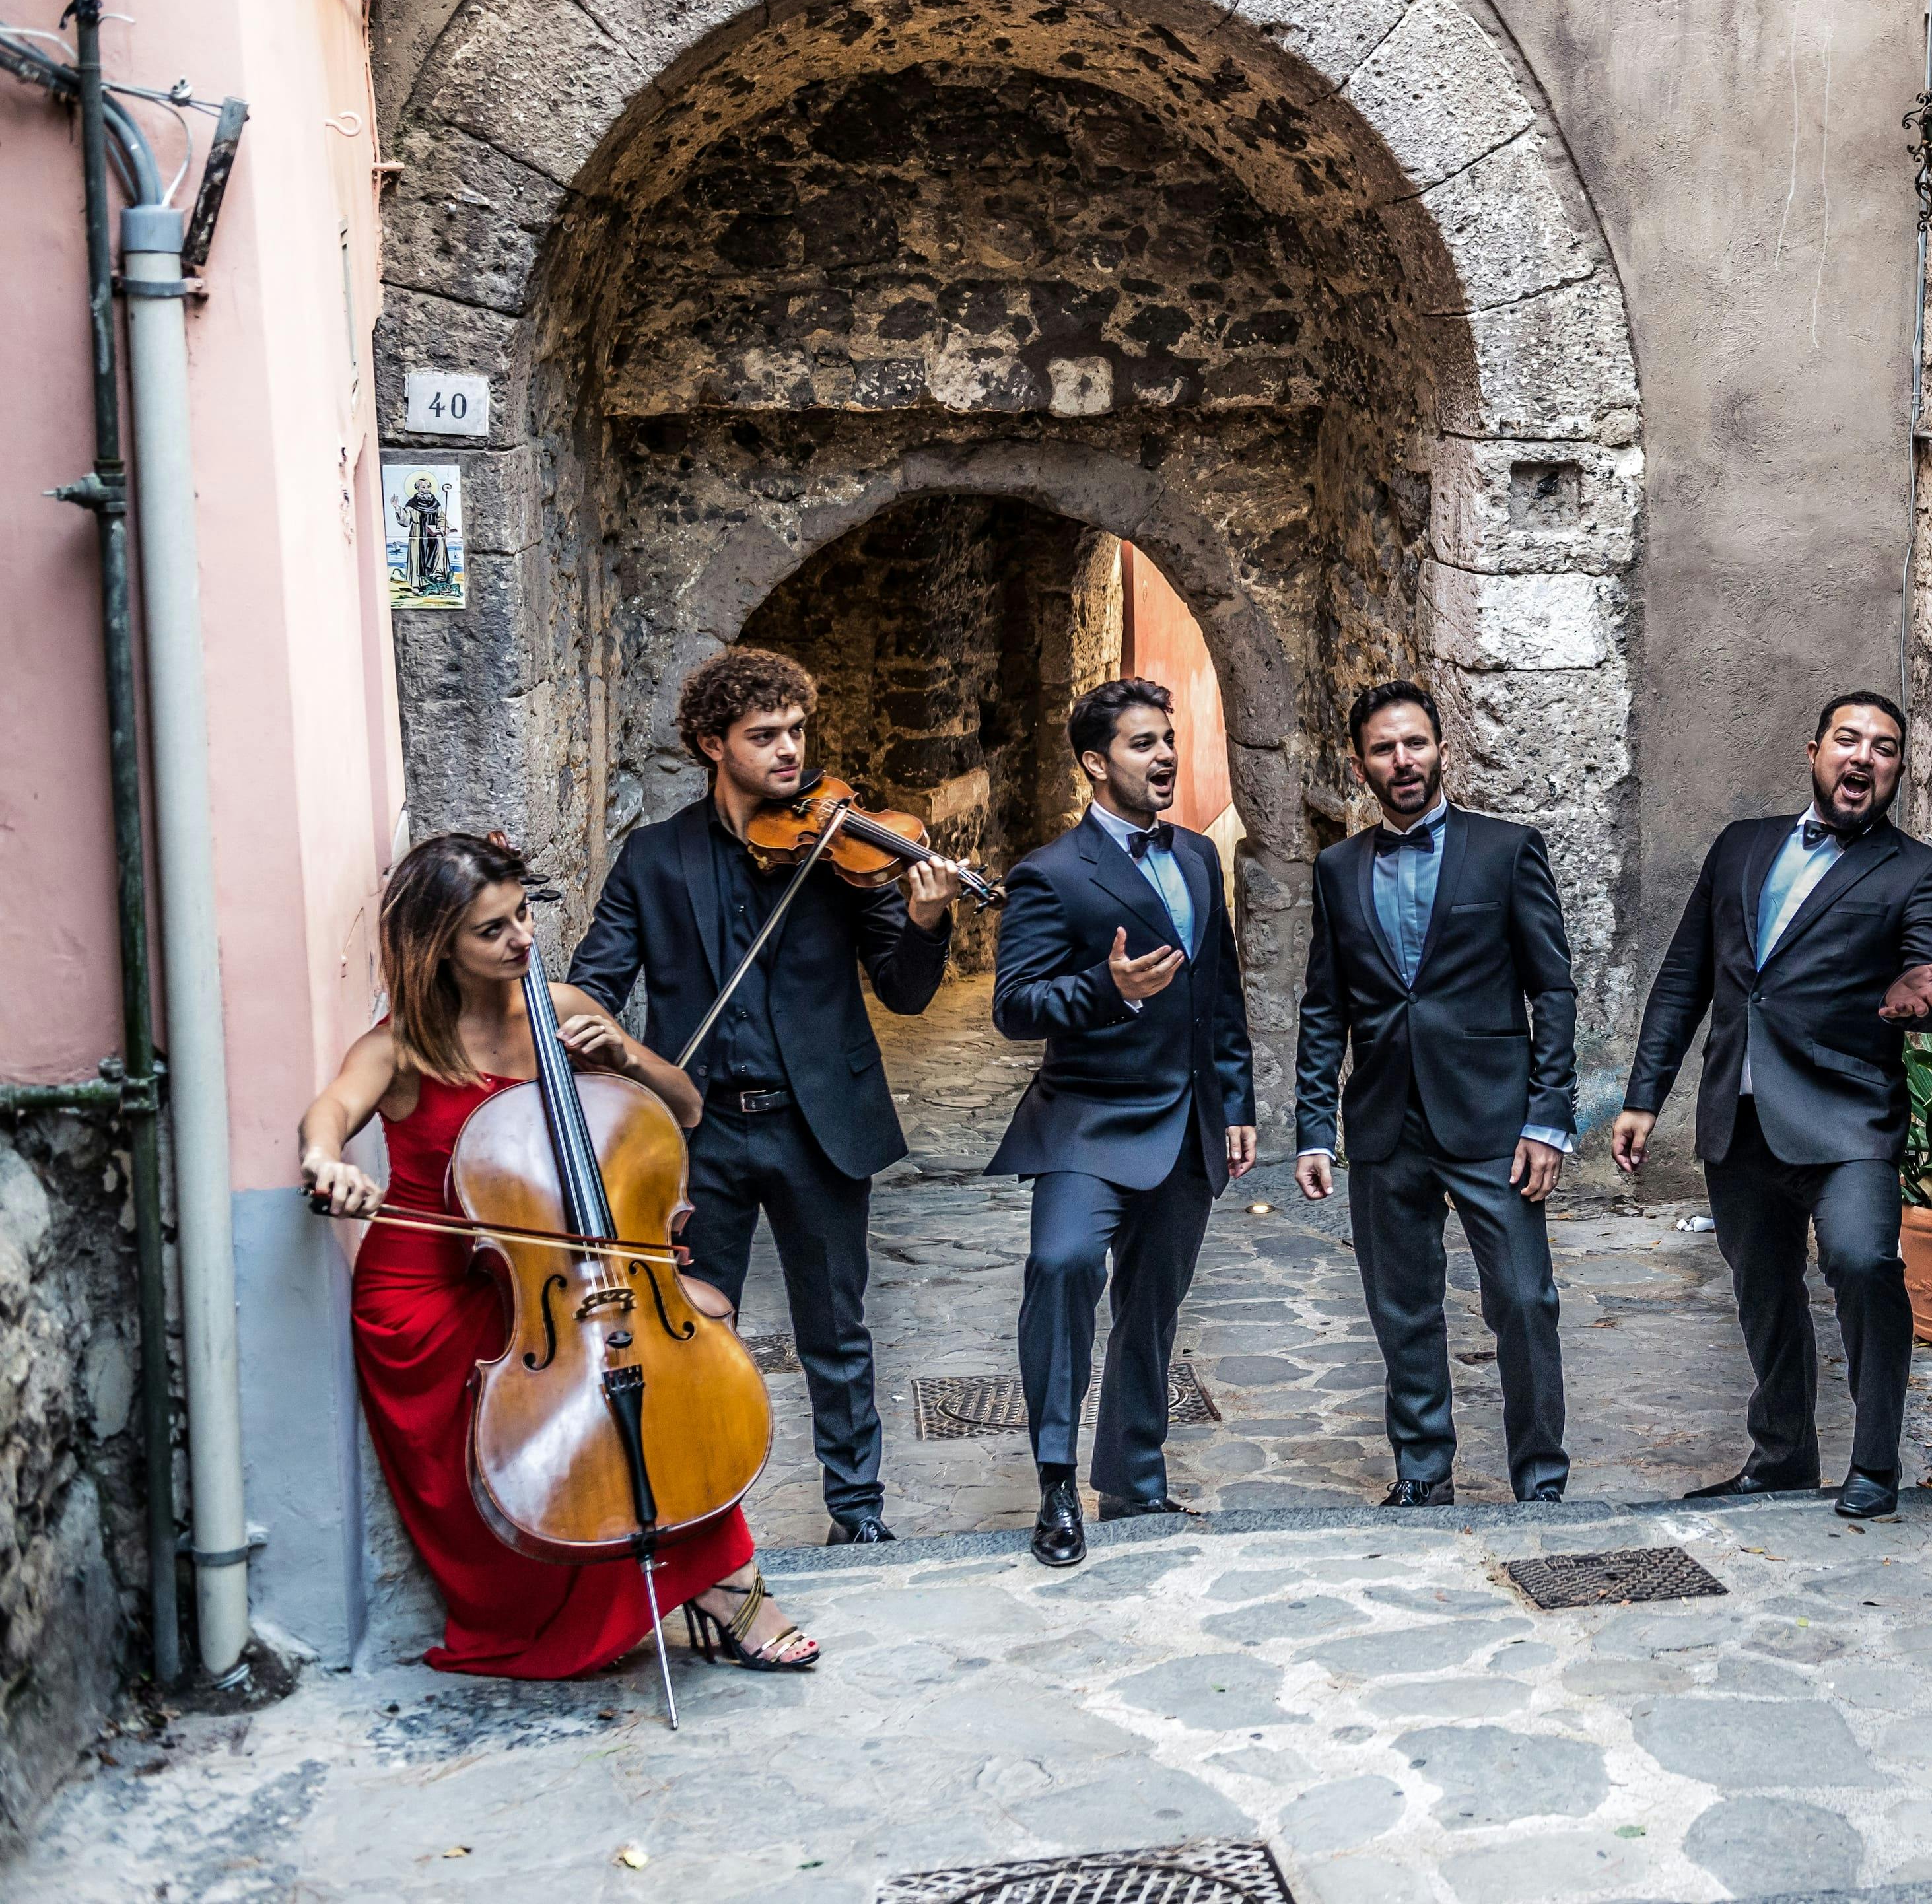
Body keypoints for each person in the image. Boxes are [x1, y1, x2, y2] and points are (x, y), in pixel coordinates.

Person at [298, 833, 819, 1676]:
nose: (521, 939)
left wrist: (627, 1060)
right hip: (432, 1293)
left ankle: (724, 1580)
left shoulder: (569, 1009)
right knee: (529, 1451)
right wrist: (326, 1163)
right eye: (491, 931)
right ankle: (598, 1599)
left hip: (557, 1274)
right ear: (438, 946)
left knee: (655, 1393)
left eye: (522, 914)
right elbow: (329, 1115)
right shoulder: (403, 1048)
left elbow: (685, 1109)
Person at [569, 648, 956, 1546]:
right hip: (698, 1134)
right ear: (712, 744)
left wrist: (928, 919)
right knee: (696, 1334)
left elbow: (901, 990)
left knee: (837, 1329)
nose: (790, 752)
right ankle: (707, 1520)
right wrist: (598, 1037)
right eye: (764, 736)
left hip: (819, 1127)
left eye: (796, 732)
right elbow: (596, 980)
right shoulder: (655, 859)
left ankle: (856, 1513)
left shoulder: (842, 846)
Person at [1612, 691, 1932, 1521]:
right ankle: (1782, 1457)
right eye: (1848, 740)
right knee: (1762, 1291)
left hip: (1846, 1120)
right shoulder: (1740, 847)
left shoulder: (1920, 872)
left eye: (1883, 749)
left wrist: (1927, 1000)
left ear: (1896, 772)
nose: (1862, 758)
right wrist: (1642, 1098)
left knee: (1862, 1264)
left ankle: (1873, 1462)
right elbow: (1683, 979)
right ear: (1813, 752)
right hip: (1738, 1117)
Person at [992, 675, 1257, 1566]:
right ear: (1096, 764)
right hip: (1088, 1122)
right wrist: (1104, 990)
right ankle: (1057, 1482)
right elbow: (1016, 1006)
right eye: (1144, 744)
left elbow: (1219, 993)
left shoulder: (1194, 858)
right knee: (1061, 1268)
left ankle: (1134, 1484)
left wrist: (1237, 1104)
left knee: (1152, 1309)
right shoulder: (1051, 874)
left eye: (1169, 739)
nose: (1167, 756)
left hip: (1186, 1124)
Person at [1294, 680, 1579, 1507]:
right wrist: (1314, 1126)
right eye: (1384, 749)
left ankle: (1540, 1479)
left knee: (1524, 1300)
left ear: (1442, 750)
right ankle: (1423, 1475)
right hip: (1385, 1123)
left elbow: (1551, 991)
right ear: (1360, 767)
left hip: (1492, 1117)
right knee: (1403, 1309)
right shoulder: (1336, 869)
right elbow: (1324, 1006)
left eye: (1415, 743)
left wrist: (1548, 1114)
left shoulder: (1506, 850)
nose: (1402, 761)